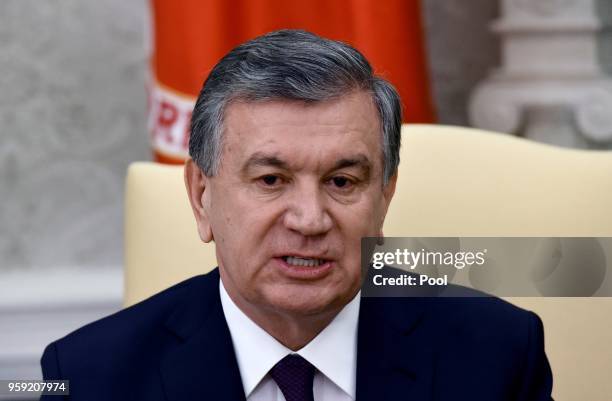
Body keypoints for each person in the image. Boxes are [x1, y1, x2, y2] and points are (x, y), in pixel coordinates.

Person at [40, 29, 553, 401]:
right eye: (271, 181)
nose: (310, 220)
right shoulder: (89, 378)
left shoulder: (498, 355)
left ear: (385, 198)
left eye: (342, 182)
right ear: (201, 196)